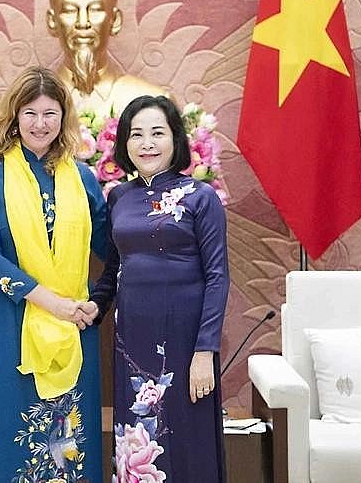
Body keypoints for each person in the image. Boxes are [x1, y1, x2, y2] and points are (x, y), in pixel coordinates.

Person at [0, 66, 108, 482]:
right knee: (8, 428)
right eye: (30, 113)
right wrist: (53, 304)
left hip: (75, 322)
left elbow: (110, 247)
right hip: (8, 319)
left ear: (63, 118)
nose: (40, 124)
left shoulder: (81, 177)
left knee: (68, 440)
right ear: (13, 116)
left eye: (50, 113)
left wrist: (96, 300)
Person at [90, 95, 229, 482]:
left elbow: (218, 276)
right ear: (124, 144)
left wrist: (205, 351)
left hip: (186, 342)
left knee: (187, 439)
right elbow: (114, 268)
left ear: (175, 140)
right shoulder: (118, 196)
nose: (146, 143)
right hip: (132, 340)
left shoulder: (202, 197)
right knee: (137, 439)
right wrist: (94, 307)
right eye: (136, 134)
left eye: (157, 133)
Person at [47, 0, 167, 115]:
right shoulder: (27, 104)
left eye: (95, 10)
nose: (83, 22)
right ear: (52, 21)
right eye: (70, 10)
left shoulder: (152, 104)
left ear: (115, 20)